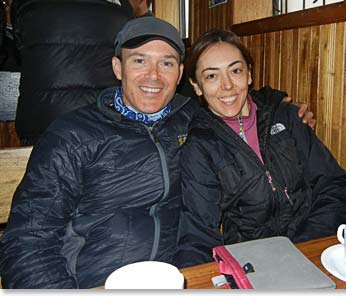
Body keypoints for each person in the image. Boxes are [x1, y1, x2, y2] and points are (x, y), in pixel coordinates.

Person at [0, 17, 315, 288]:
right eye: (139, 60)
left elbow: (234, 92)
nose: (153, 76)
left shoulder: (192, 117)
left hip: (179, 276)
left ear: (179, 75)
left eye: (165, 63)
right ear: (117, 67)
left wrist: (282, 106)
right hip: (92, 280)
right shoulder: (73, 135)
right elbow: (28, 241)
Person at [174, 29, 346, 268]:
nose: (227, 86)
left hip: (315, 248)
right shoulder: (200, 146)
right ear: (196, 87)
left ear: (249, 74)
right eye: (211, 76)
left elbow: (333, 186)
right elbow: (198, 230)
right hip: (255, 262)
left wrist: (303, 249)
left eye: (235, 71)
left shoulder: (287, 117)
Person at [11, 0, 135, 145]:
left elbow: (19, 48)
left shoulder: (26, 4)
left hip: (42, 121)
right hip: (104, 121)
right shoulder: (121, 6)